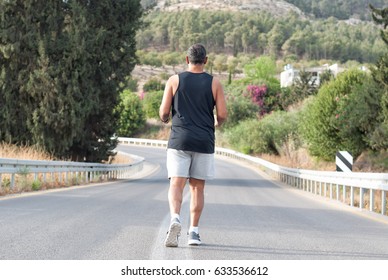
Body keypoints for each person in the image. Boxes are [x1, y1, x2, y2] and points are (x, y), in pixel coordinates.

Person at [159, 43, 227, 247]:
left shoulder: (174, 80)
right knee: (197, 188)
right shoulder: (214, 83)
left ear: (187, 59)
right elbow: (222, 114)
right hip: (204, 140)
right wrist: (216, 123)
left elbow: (163, 112)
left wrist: (166, 119)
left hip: (180, 139)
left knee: (176, 184)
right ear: (206, 60)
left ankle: (175, 219)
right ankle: (194, 233)